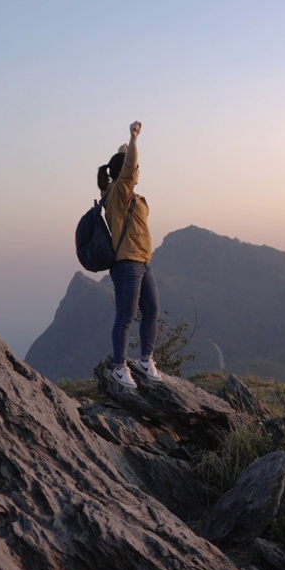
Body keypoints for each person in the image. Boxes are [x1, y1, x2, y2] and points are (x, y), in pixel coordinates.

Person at [98, 120, 161, 389]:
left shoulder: (124, 193)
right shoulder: (117, 193)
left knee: (152, 311)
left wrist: (122, 149)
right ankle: (119, 367)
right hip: (127, 264)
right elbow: (129, 167)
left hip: (143, 262)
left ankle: (146, 360)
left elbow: (124, 167)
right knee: (125, 316)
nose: (136, 172)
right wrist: (134, 139)